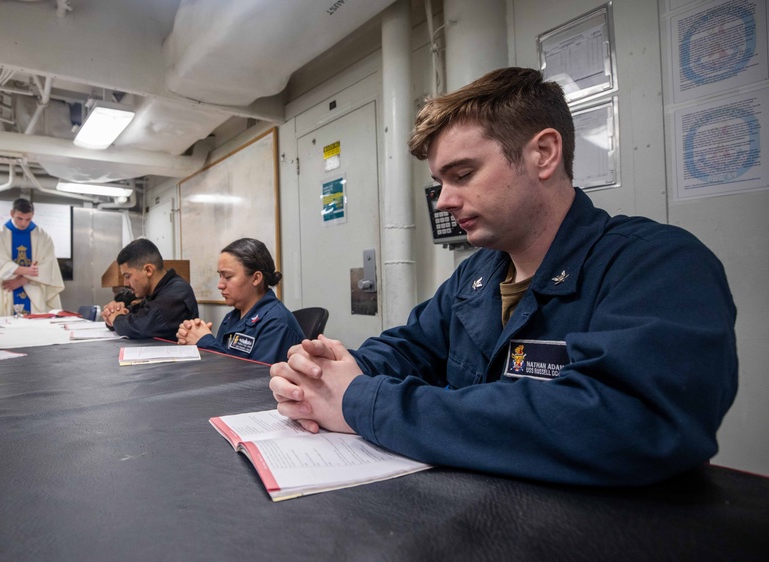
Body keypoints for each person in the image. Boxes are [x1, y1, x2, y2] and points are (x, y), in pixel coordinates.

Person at [269, 67, 738, 487]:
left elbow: (626, 422)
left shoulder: (658, 264)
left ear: (544, 154)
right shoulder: (477, 273)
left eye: (463, 174)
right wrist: (320, 373)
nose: (443, 202)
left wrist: (362, 402)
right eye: (440, 182)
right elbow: (411, 347)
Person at [176, 238, 304, 364]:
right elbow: (223, 366)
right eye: (220, 276)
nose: (220, 285)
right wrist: (192, 340)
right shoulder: (231, 319)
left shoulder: (277, 322)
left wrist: (205, 341)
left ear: (256, 278)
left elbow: (253, 380)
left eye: (228, 277)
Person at [101, 238, 199, 340]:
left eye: (127, 276)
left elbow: (142, 326)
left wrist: (116, 319)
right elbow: (136, 315)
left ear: (148, 270)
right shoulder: (155, 292)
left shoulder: (177, 292)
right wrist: (114, 313)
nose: (125, 283)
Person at [0, 198, 64, 316]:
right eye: (19, 218)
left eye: (28, 219)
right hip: (6, 288)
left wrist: (23, 280)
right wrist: (28, 271)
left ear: (33, 215)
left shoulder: (43, 236)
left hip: (33, 290)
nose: (23, 223)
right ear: (12, 213)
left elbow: (48, 264)